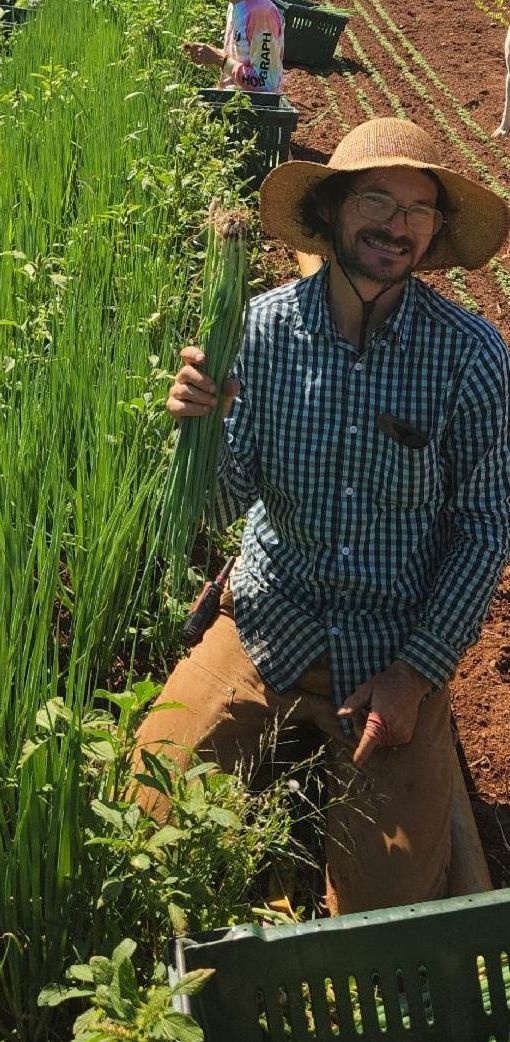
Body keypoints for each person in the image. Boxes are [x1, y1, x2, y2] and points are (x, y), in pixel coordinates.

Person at [132, 117, 510, 914]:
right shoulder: (263, 332)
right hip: (269, 620)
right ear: (332, 209)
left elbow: (483, 527)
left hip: (391, 647)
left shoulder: (471, 356)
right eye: (377, 200)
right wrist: (198, 432)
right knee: (141, 812)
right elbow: (225, 502)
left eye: (419, 209)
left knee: (385, 917)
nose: (397, 225)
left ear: (435, 232)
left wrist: (414, 675)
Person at [183, 0, 284, 95]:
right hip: (232, 99)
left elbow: (266, 85)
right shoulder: (234, 5)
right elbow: (237, 58)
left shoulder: (262, 13)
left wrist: (219, 59)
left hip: (253, 104)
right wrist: (211, 55)